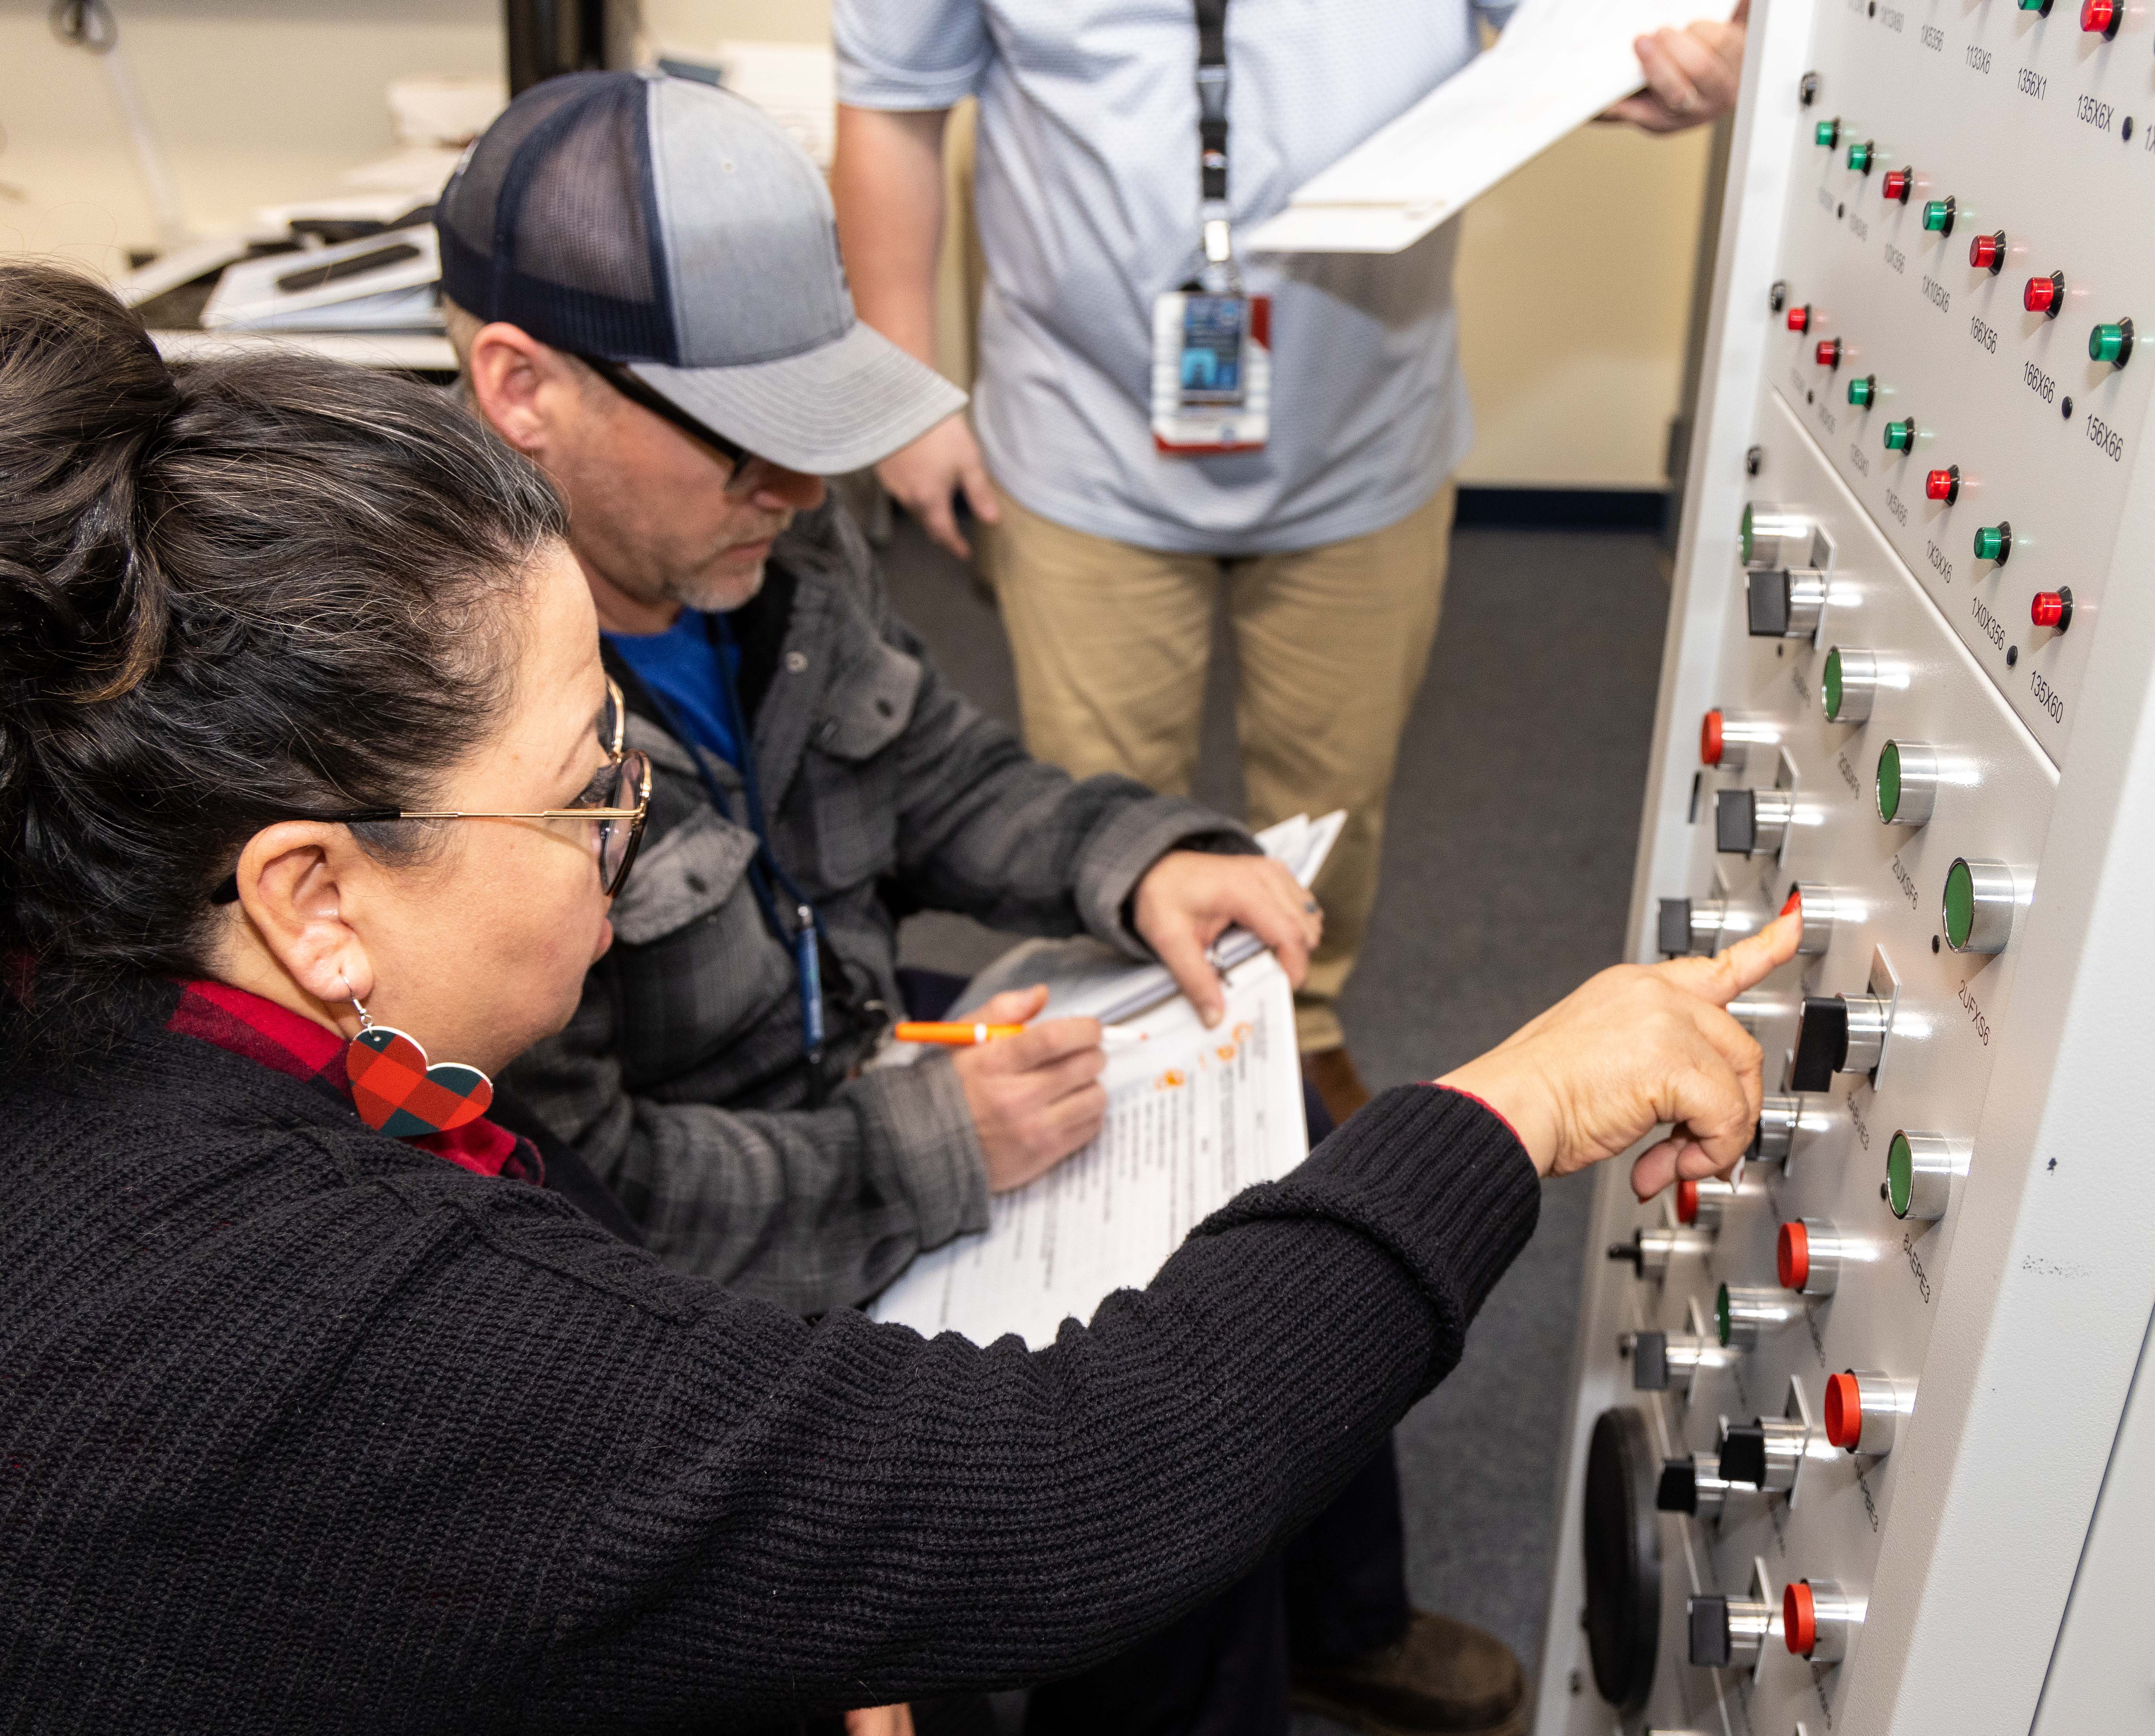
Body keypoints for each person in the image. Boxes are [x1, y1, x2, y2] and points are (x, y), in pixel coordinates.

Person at [0, 262, 1796, 1732]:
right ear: (316, 896)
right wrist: (1515, 1108)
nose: (624, 837)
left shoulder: (118, 1002)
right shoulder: (317, 1309)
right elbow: (1081, 1488)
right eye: (581, 791)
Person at [427, 70, 1319, 1319]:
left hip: (866, 1067)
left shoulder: (762, 537)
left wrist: (1133, 856)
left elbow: (928, 773)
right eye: (749, 437)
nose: (801, 494)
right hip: (710, 1274)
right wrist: (924, 1148)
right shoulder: (436, 720)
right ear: (524, 391)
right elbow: (576, 1191)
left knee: (1288, 1172)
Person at [829, 0, 1752, 1131]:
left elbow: (1601, 26)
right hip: (1081, 431)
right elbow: (890, 106)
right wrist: (904, 390)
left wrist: (1684, 62)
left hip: (1365, 421)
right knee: (1095, 810)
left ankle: (1301, 1031)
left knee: (1334, 799)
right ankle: (1137, 1060)